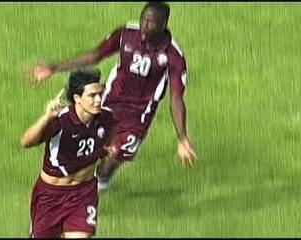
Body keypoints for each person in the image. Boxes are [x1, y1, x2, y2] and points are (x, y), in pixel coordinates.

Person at [28, 2, 198, 190]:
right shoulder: (126, 34)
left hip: (137, 117)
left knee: (111, 160)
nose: (144, 25)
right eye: (143, 19)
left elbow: (176, 98)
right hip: (109, 102)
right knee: (84, 143)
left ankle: (98, 184)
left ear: (163, 24)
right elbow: (94, 56)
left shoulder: (173, 56)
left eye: (150, 22)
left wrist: (182, 137)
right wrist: (53, 68)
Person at [21, 69, 113, 238]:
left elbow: (103, 140)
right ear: (77, 98)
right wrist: (47, 117)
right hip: (51, 196)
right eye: (92, 96)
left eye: (101, 94)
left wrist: (103, 151)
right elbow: (26, 141)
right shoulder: (62, 121)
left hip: (83, 193)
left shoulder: (106, 118)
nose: (99, 100)